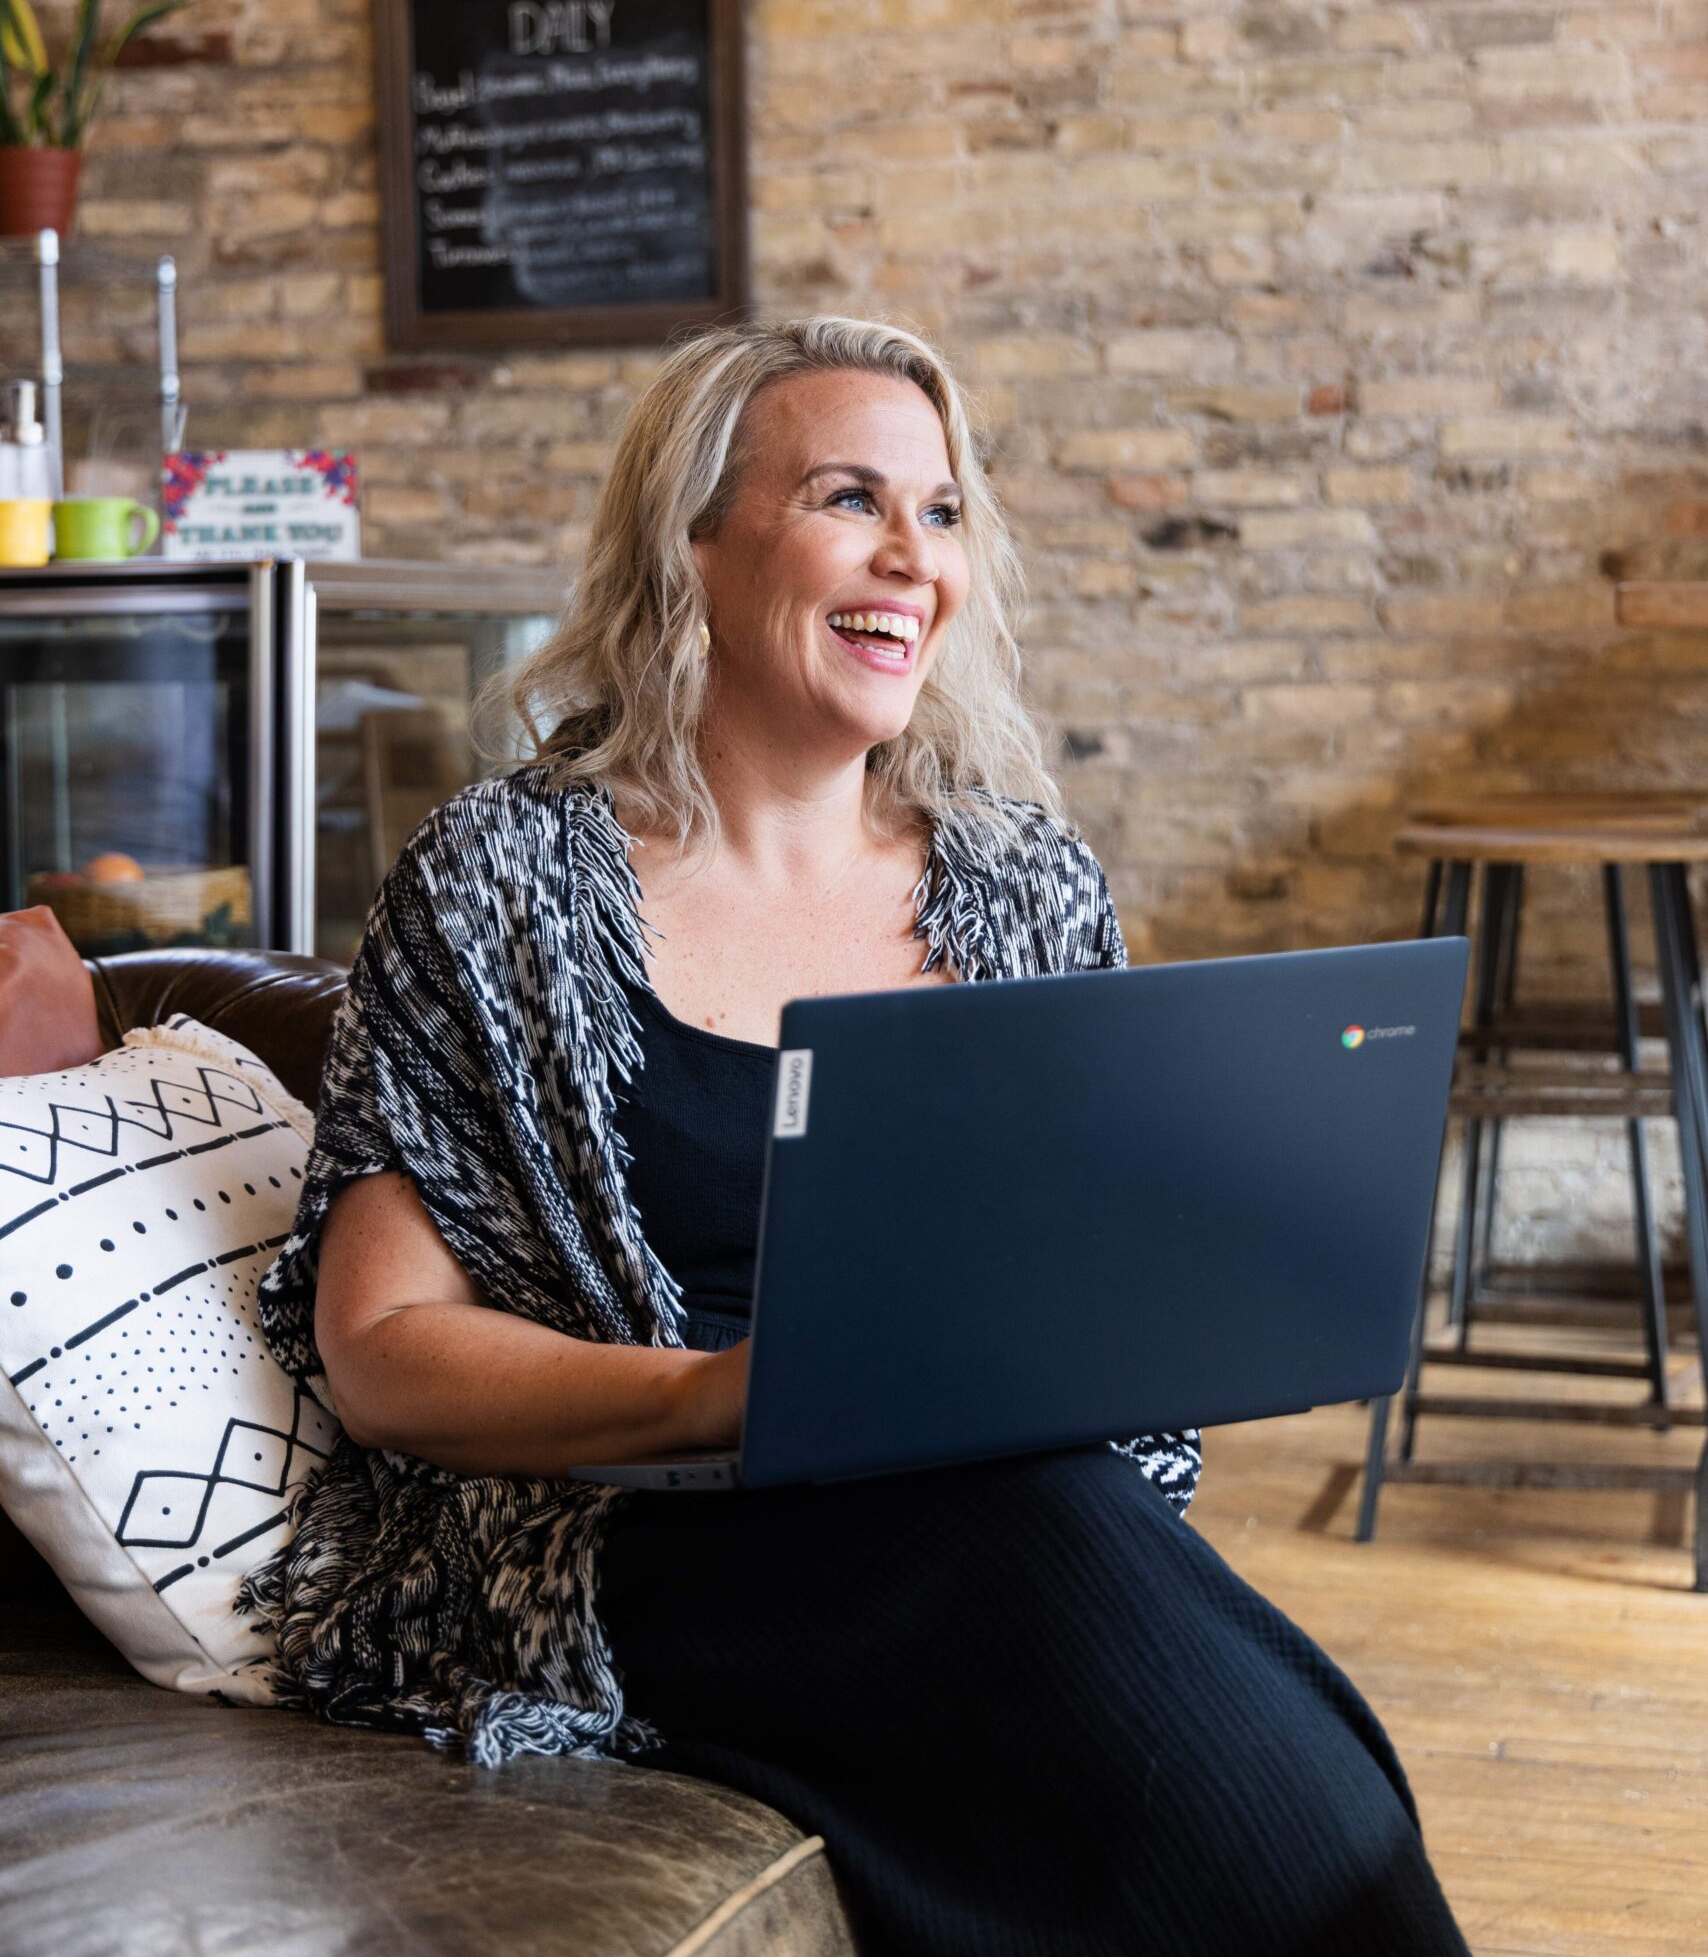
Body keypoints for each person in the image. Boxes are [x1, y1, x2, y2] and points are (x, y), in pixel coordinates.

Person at [249, 314, 1470, 1957]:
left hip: (1008, 1502)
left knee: (1255, 1759)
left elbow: (1093, 1292)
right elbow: (383, 1347)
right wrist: (723, 1400)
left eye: (943, 512)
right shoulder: (499, 886)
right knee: (1205, 1765)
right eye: (850, 498)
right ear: (692, 541)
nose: (915, 557)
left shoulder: (1029, 884)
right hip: (641, 1531)